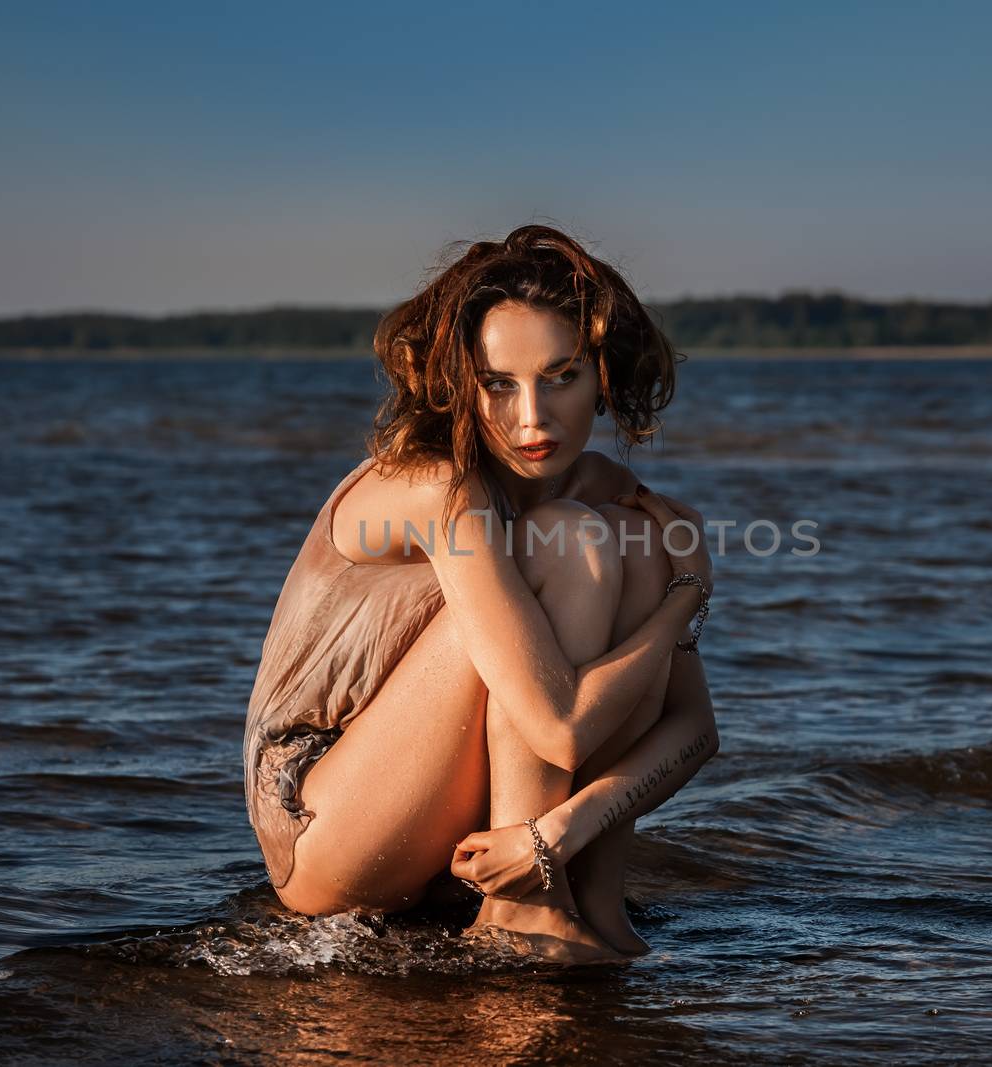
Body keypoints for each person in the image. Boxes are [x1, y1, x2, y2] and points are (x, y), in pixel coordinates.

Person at [242, 224, 719, 965]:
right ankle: (522, 911)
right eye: (499, 384)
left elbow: (695, 730)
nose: (533, 417)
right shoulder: (443, 489)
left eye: (561, 375)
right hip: (326, 816)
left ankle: (588, 896)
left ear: (604, 376)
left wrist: (560, 833)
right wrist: (685, 600)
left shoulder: (611, 494)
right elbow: (560, 729)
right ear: (459, 385)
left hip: (456, 824)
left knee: (624, 538)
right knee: (573, 540)